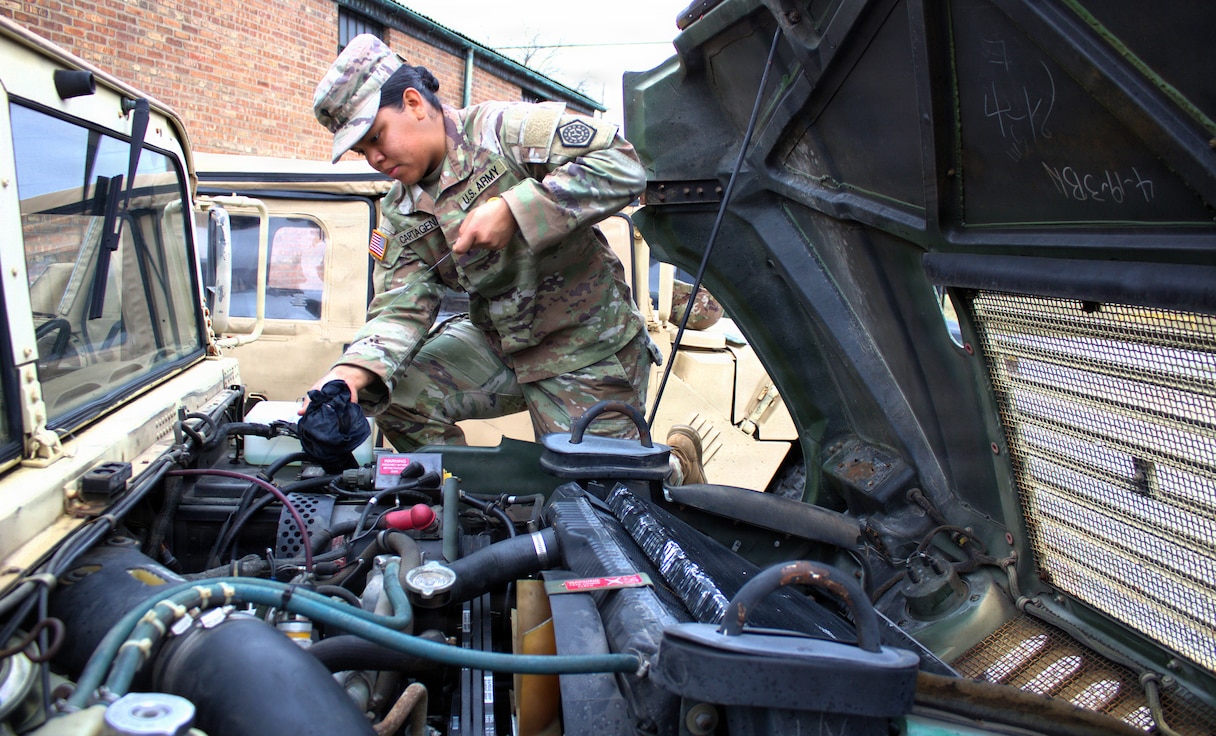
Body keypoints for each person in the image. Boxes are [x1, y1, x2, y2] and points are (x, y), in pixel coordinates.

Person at [306, 34, 705, 484]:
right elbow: (401, 304)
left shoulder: (505, 131)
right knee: (399, 400)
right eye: (363, 151)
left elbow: (622, 164)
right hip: (500, 346)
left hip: (583, 346)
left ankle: (672, 471)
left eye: (376, 136)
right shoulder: (400, 211)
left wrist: (517, 209)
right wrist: (349, 373)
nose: (374, 157)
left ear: (415, 103)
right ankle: (469, 503)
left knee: (603, 503)